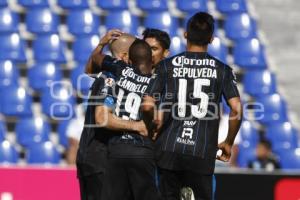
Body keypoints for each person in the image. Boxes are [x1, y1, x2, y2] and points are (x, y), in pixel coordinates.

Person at [143, 12, 243, 200]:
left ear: (185, 34)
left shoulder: (167, 66)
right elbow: (237, 109)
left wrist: (151, 129)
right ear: (212, 39)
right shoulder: (222, 70)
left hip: (168, 151)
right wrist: (228, 142)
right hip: (202, 152)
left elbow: (147, 105)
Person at [89, 39, 161, 200]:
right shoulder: (158, 81)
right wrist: (141, 126)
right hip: (144, 151)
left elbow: (96, 57)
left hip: (117, 149)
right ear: (152, 60)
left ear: (129, 60)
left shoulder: (119, 69)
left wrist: (101, 44)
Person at [76, 30, 138, 200]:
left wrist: (101, 44)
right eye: (137, 52)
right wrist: (137, 126)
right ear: (126, 56)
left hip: (88, 155)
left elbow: (89, 69)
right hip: (101, 158)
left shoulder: (107, 71)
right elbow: (102, 118)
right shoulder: (114, 77)